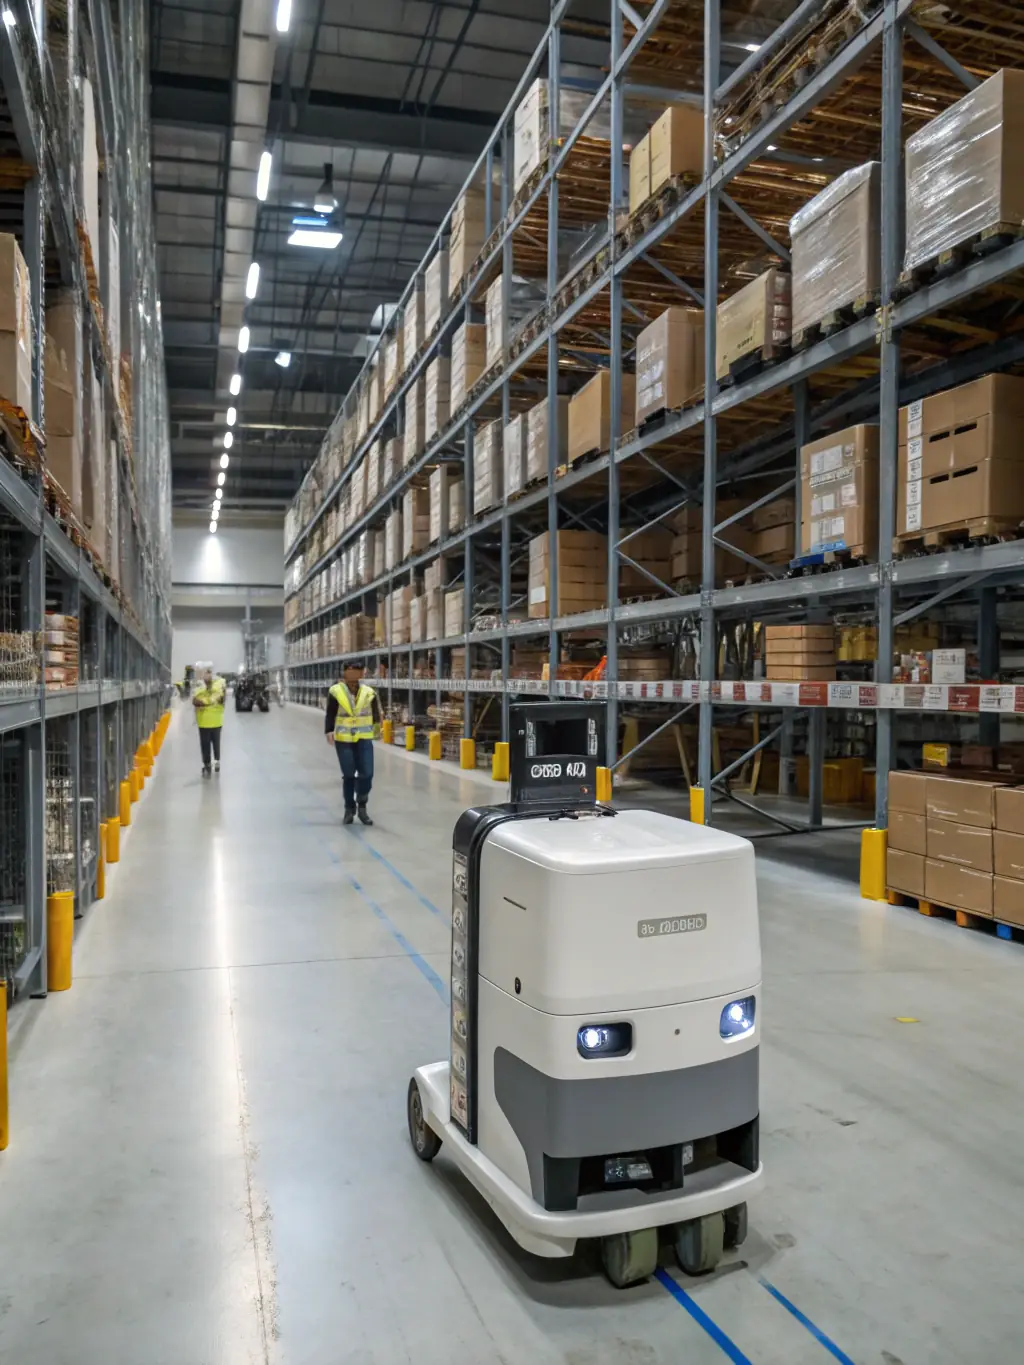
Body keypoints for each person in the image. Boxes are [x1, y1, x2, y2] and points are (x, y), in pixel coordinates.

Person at [325, 660, 381, 825]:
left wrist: (377, 731)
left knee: (367, 774)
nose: (354, 673)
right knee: (349, 775)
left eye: (357, 670)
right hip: (344, 739)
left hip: (364, 738)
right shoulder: (335, 691)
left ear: (362, 673)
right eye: (350, 670)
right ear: (344, 673)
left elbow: (375, 714)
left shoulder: (369, 692)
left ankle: (362, 804)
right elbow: (330, 713)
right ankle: (349, 809)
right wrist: (329, 730)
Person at [193, 667, 226, 777]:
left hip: (215, 720)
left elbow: (221, 699)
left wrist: (205, 701)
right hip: (204, 721)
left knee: (214, 743)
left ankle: (216, 762)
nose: (206, 675)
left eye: (208, 673)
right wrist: (207, 701)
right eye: (205, 674)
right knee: (206, 744)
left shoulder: (219, 685)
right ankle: (208, 764)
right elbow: (195, 701)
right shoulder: (200, 687)